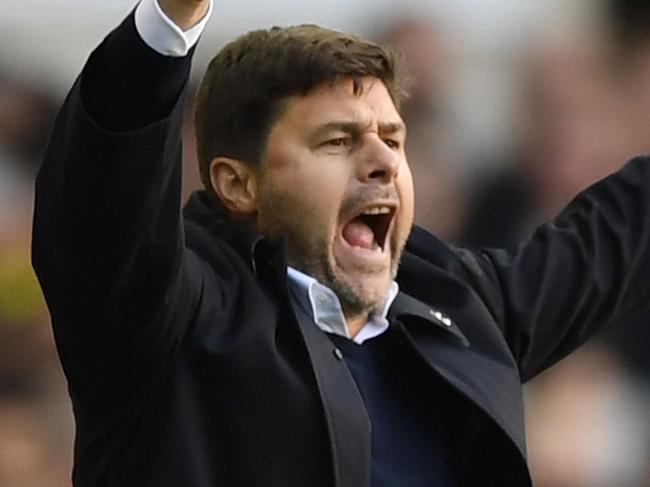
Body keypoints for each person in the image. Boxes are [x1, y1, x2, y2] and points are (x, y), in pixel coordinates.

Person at [32, 0, 650, 485]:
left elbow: (622, 232)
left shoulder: (459, 306)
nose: (382, 161)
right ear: (238, 184)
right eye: (337, 140)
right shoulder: (173, 316)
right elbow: (102, 198)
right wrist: (172, 20)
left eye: (394, 137)